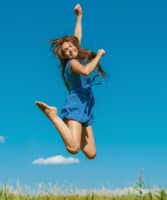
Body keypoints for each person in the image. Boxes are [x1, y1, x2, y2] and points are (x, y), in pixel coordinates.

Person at [35, 3, 107, 159]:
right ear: (64, 55)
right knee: (73, 148)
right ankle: (53, 115)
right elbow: (87, 71)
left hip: (86, 109)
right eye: (66, 50)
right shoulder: (73, 64)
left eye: (71, 47)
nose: (70, 50)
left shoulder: (75, 54)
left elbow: (77, 37)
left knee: (91, 153)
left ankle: (75, 130)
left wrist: (79, 16)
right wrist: (99, 55)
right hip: (76, 105)